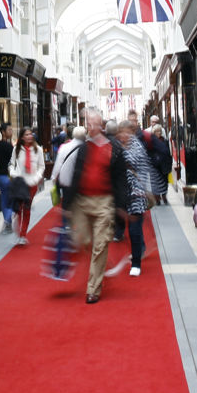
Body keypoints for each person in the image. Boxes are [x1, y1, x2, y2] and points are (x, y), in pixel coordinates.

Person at [62, 109, 129, 303]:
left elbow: (121, 179)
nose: (89, 126)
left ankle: (93, 288)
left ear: (100, 125)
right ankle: (99, 268)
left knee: (100, 245)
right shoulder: (83, 148)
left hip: (104, 203)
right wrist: (67, 203)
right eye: (87, 123)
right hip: (82, 202)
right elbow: (75, 175)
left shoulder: (114, 148)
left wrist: (122, 205)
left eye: (92, 123)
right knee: (84, 242)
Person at [115, 119, 154, 276]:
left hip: (136, 193)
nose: (123, 135)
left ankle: (136, 263)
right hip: (123, 193)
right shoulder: (118, 147)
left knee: (134, 229)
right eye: (121, 132)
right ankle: (136, 253)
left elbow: (140, 167)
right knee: (127, 227)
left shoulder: (137, 148)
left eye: (126, 132)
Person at [9, 127, 45, 245]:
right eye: (27, 134)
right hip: (20, 183)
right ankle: (18, 233)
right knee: (18, 209)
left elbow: (41, 166)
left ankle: (23, 235)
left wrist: (37, 177)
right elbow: (11, 164)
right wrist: (14, 174)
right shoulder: (17, 149)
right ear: (22, 137)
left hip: (32, 183)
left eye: (31, 134)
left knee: (27, 209)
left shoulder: (38, 149)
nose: (30, 136)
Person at [0, 122, 14, 233]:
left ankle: (8, 223)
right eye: (9, 130)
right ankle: (7, 221)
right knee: (10, 200)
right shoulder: (9, 146)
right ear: (3, 132)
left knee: (4, 199)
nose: (11, 132)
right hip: (7, 176)